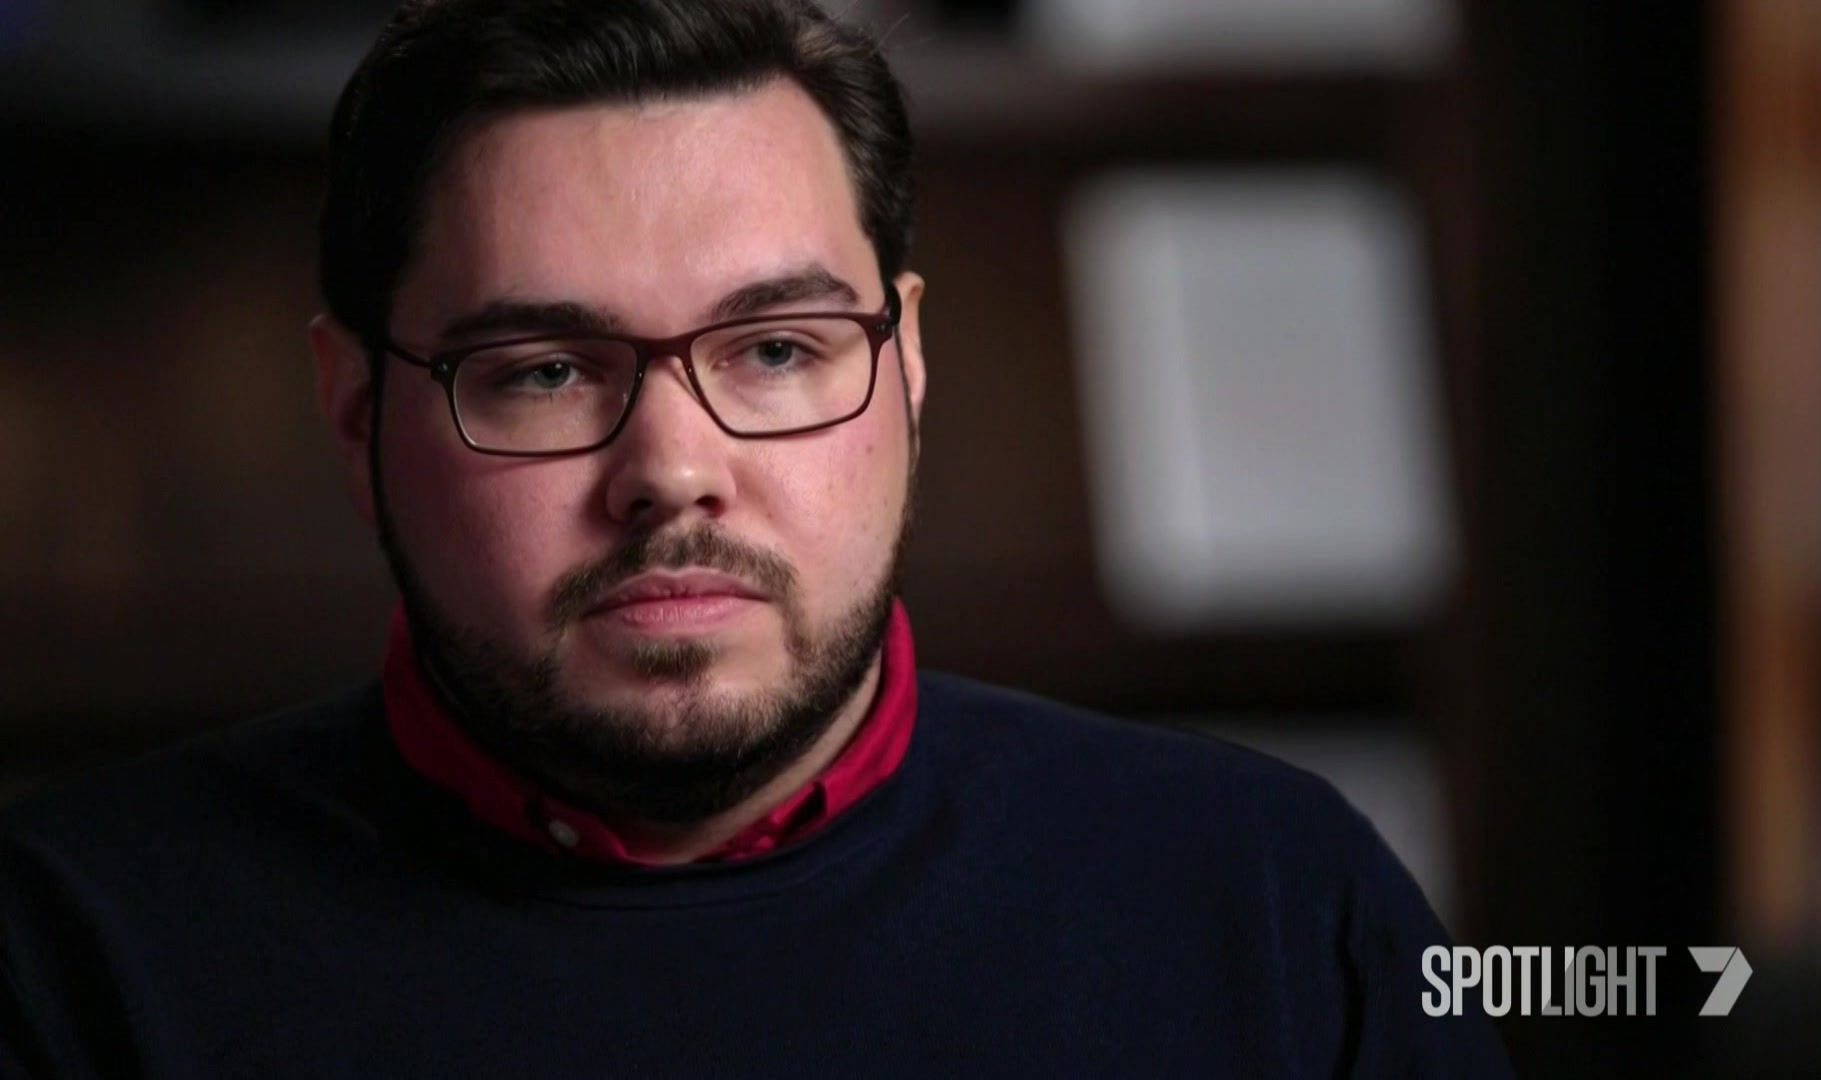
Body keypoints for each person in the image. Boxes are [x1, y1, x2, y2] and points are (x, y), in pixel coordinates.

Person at [0, 1, 1509, 1075]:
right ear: (352, 413)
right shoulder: (68, 961)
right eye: (541, 372)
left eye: (777, 350)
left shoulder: (1268, 905)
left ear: (905, 362)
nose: (673, 471)